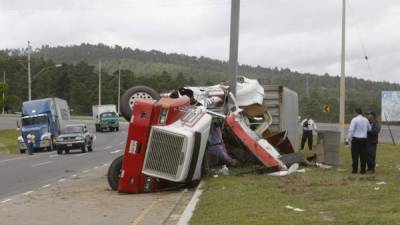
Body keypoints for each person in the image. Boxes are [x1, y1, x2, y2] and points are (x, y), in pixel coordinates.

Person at [346, 108, 371, 174]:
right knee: (363, 156)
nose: (353, 114)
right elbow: (369, 129)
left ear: (356, 112)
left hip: (356, 140)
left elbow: (351, 130)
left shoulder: (354, 120)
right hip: (364, 140)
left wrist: (348, 139)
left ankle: (354, 170)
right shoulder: (366, 120)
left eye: (354, 113)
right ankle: (363, 170)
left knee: (355, 155)